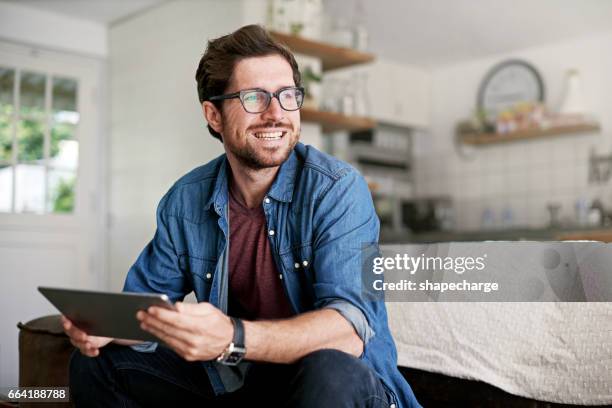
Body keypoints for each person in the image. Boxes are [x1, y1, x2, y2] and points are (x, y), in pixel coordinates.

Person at [63, 24, 421, 408]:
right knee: (98, 366)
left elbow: (348, 332)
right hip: (242, 383)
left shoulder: (338, 189)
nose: (275, 114)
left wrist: (232, 336)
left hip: (348, 385)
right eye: (254, 97)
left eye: (287, 96)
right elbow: (145, 309)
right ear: (213, 115)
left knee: (327, 371)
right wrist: (104, 327)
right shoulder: (185, 200)